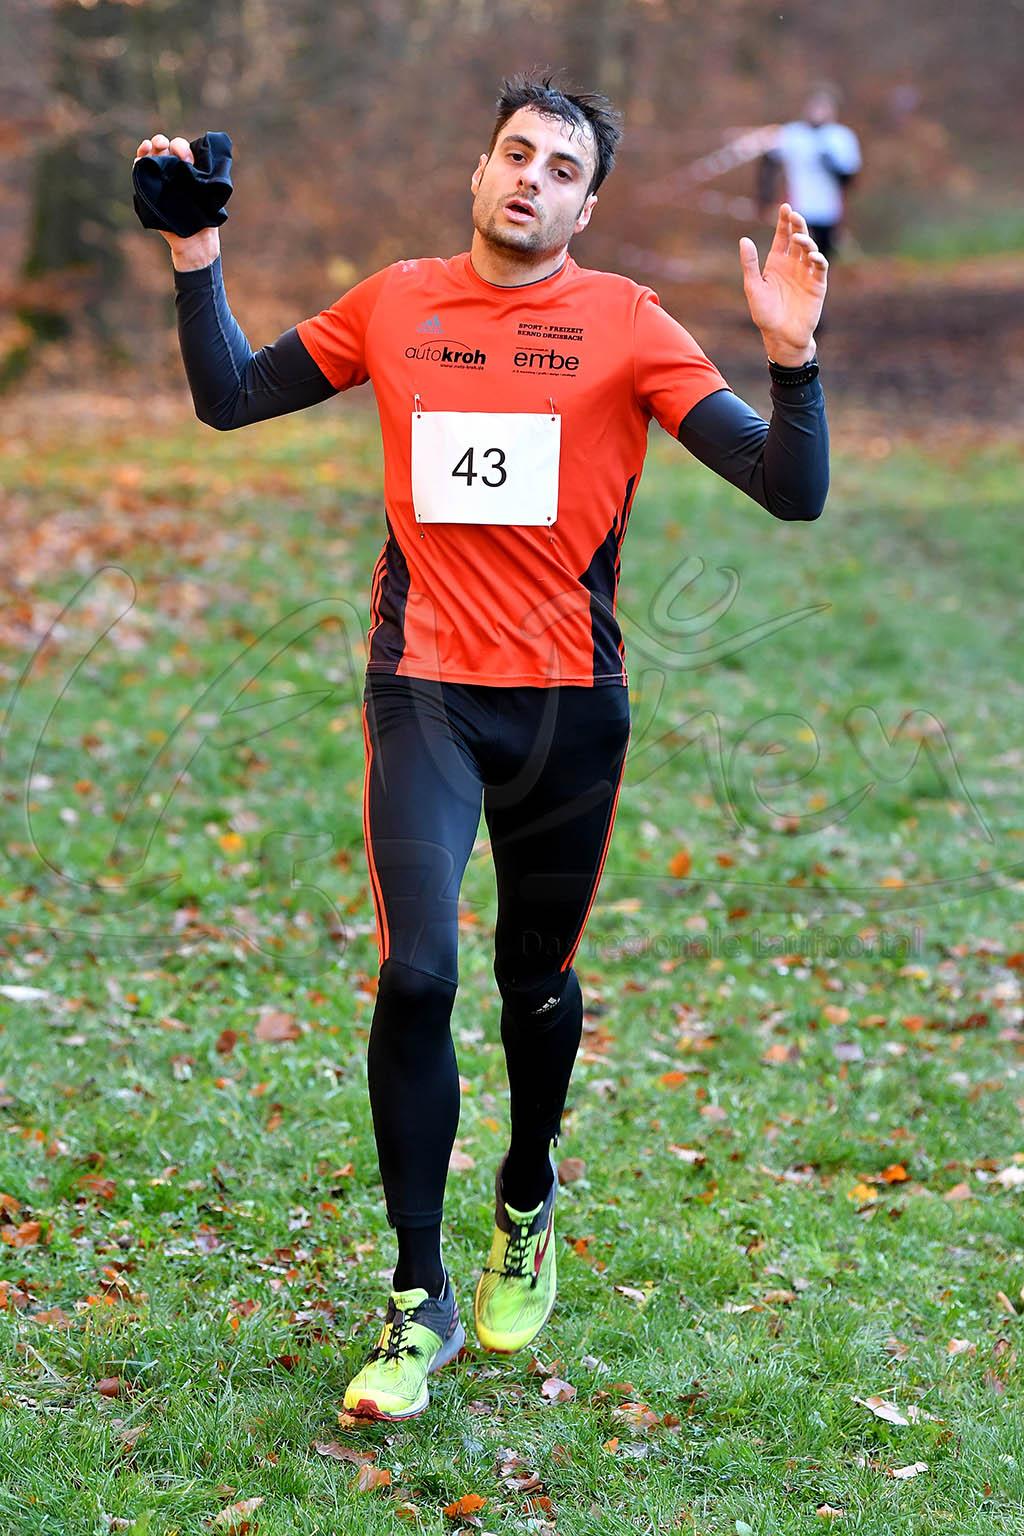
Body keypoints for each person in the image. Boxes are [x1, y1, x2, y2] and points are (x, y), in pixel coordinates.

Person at [135, 68, 829, 1423]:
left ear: (587, 206)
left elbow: (788, 490)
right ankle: (417, 1298)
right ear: (479, 169)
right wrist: (196, 252)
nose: (531, 179)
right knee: (417, 972)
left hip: (569, 706)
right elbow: (228, 396)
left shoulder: (627, 323)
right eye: (516, 154)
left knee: (534, 983)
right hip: (426, 691)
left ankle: (525, 1198)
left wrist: (793, 363)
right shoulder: (396, 302)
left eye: (563, 170)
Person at [757, 83, 862, 265]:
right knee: (796, 257)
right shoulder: (792, 134)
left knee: (822, 260)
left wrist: (831, 163)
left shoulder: (841, 138)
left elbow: (849, 178)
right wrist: (765, 198)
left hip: (828, 211)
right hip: (798, 208)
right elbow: (769, 163)